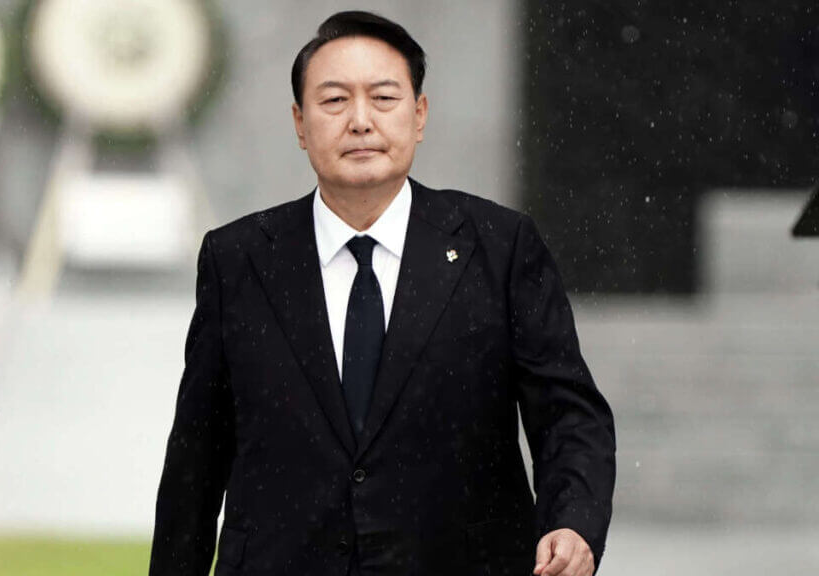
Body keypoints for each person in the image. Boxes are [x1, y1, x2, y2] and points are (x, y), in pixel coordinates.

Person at [149, 10, 615, 576]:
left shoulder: (498, 247)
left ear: (419, 115)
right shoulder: (238, 259)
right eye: (334, 100)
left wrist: (572, 520)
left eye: (384, 98)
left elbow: (569, 414)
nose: (360, 121)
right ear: (299, 123)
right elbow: (196, 458)